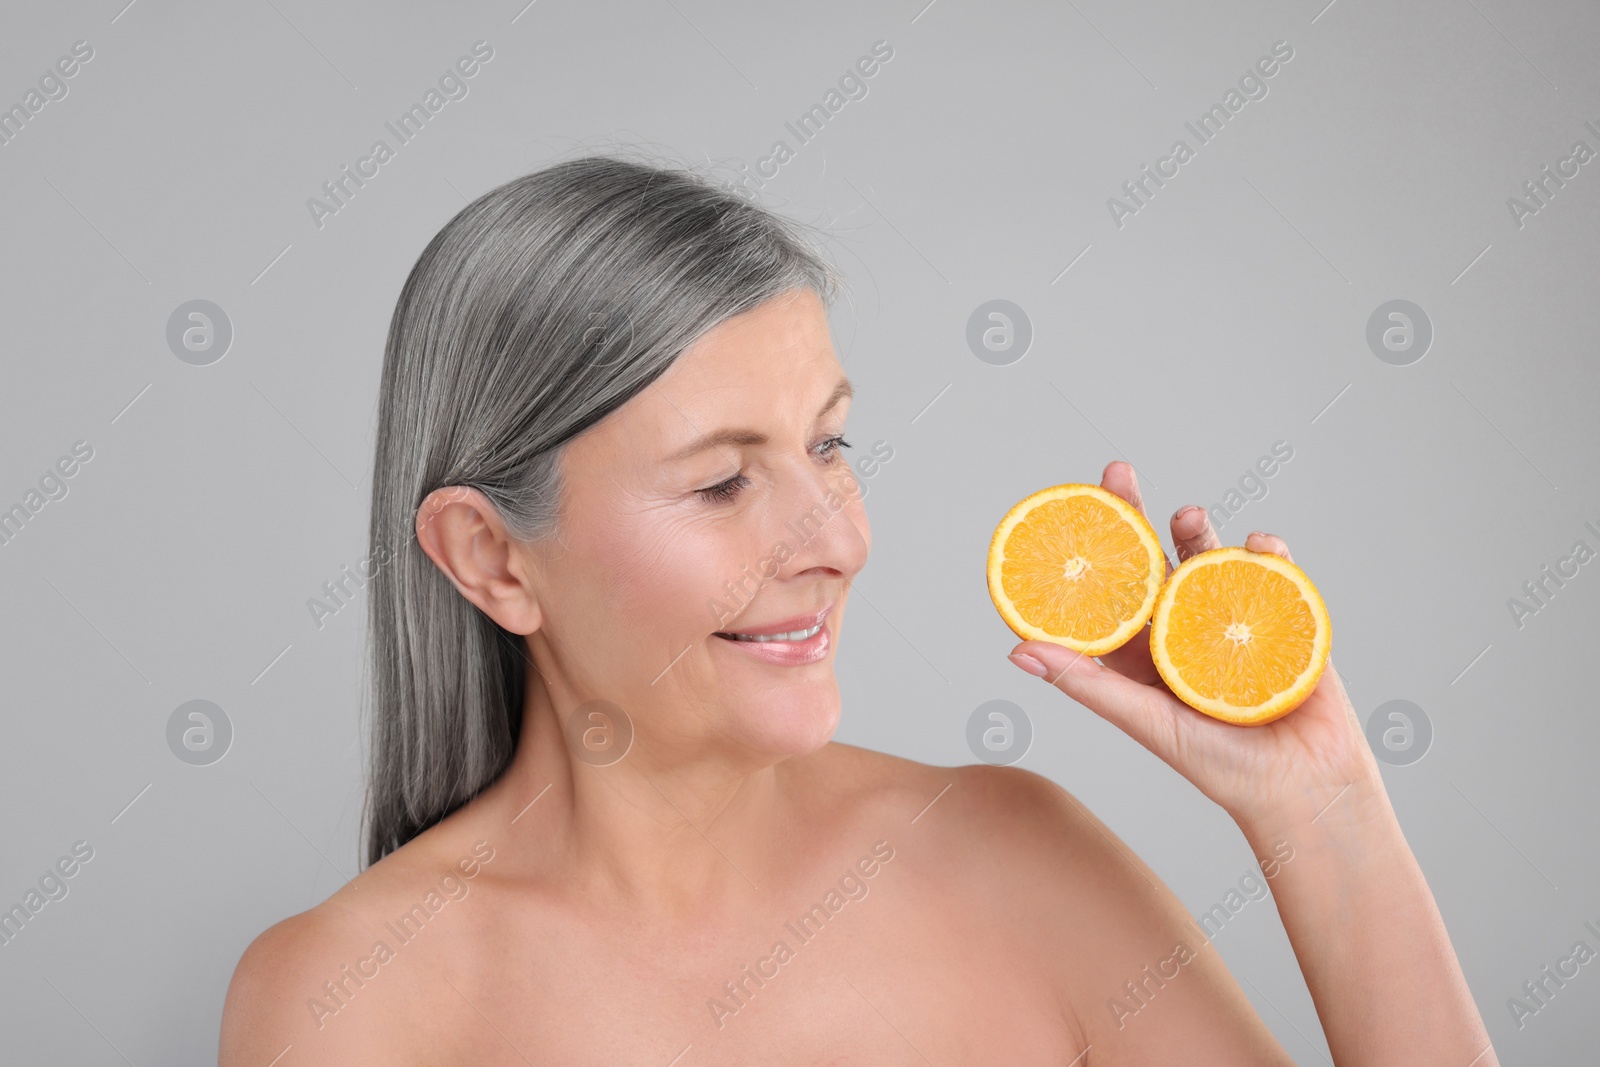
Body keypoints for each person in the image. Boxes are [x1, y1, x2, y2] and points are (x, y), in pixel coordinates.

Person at [219, 155, 1497, 1064]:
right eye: (721, 481)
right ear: (492, 557)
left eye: (829, 446)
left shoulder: (1015, 855)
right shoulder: (349, 1003)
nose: (835, 542)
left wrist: (1323, 815)